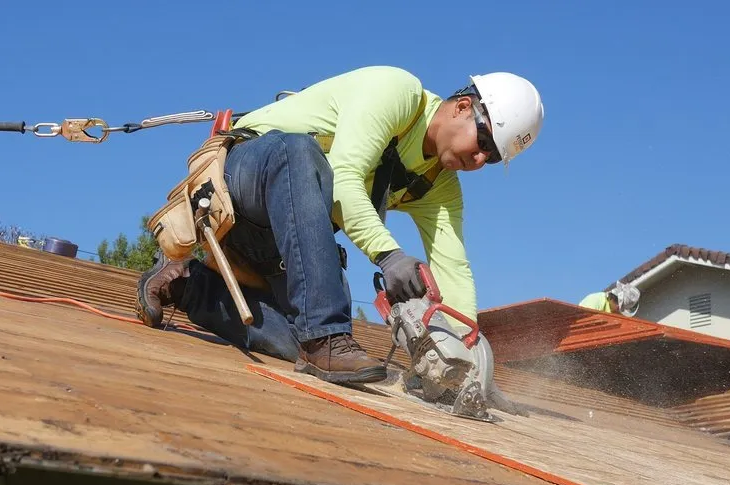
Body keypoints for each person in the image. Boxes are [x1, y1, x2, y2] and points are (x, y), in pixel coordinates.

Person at [136, 65, 544, 385]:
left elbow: (454, 270)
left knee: (297, 339)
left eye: (490, 160)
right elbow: (345, 180)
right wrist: (389, 255)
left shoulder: (439, 187)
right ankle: (325, 338)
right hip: (242, 182)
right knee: (299, 152)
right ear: (462, 106)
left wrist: (471, 362)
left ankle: (190, 286)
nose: (479, 161)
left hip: (285, 238)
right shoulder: (397, 92)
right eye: (485, 143)